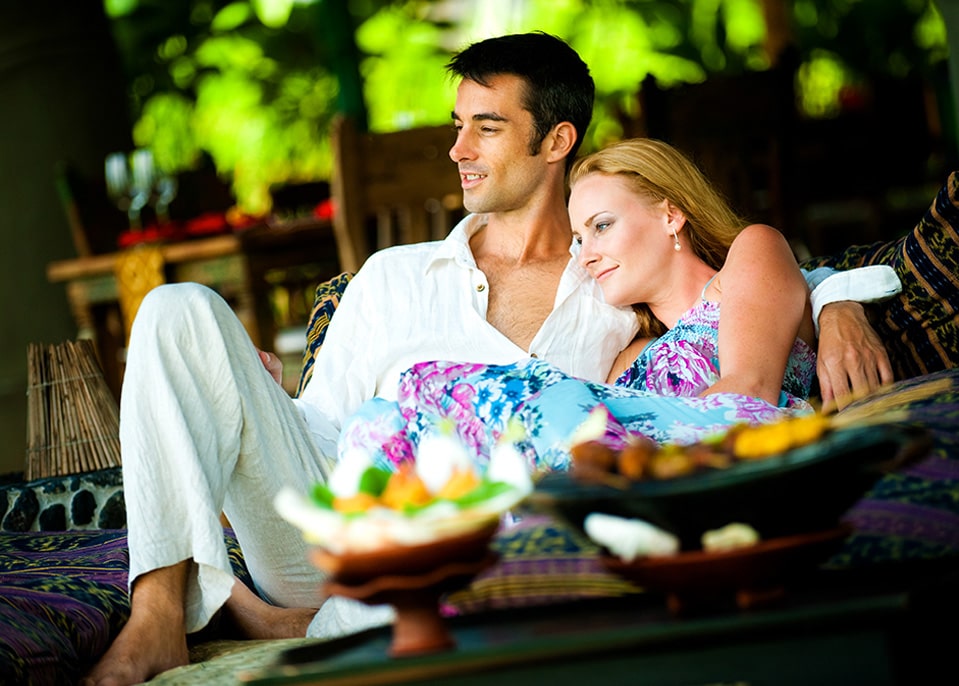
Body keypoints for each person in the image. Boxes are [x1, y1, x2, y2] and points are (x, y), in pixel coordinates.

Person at [83, 32, 895, 686]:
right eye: (458, 125)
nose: (457, 149)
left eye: (487, 126)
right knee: (179, 307)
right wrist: (241, 397)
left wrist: (838, 300)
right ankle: (158, 613)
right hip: (340, 521)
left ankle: (300, 625)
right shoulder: (393, 277)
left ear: (556, 140)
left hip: (491, 542)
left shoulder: (612, 287)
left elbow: (751, 285)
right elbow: (320, 431)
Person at [338, 137, 819, 471]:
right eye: (577, 237)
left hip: (698, 459)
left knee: (435, 385)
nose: (586, 254)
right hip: (603, 474)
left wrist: (841, 302)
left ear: (671, 214)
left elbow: (748, 396)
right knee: (376, 423)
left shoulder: (752, 253)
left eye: (602, 225)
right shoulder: (626, 355)